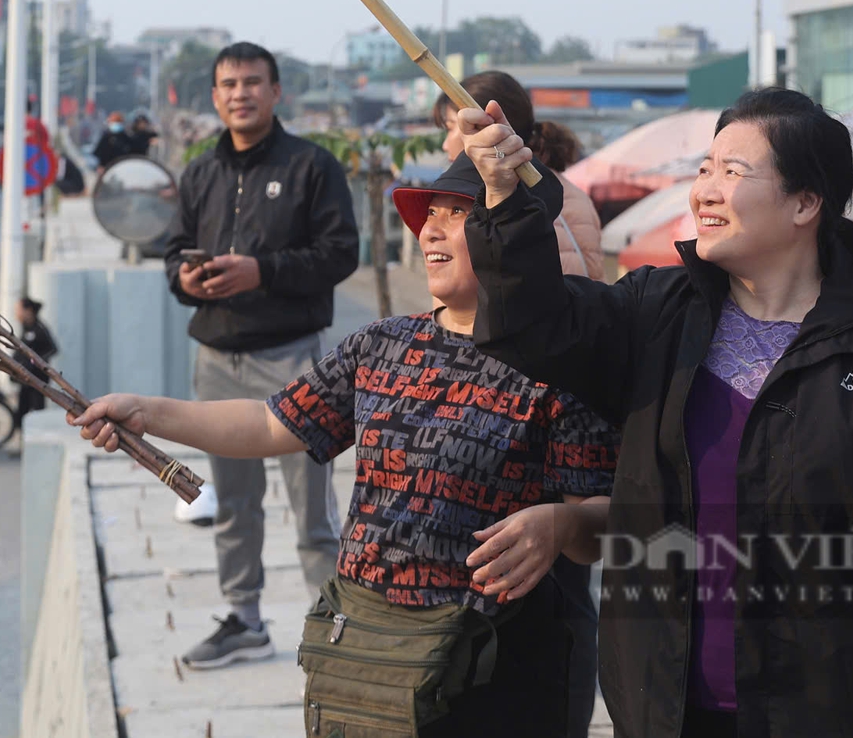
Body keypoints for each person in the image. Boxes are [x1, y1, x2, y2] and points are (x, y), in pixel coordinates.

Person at [457, 87, 853, 738]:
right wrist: (505, 201)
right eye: (704, 170)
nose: (705, 190)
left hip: (852, 713)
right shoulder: (654, 315)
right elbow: (529, 330)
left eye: (733, 172)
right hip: (673, 714)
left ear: (805, 203)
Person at [75, 153, 618, 734]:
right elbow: (268, 424)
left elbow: (602, 522)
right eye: (428, 214)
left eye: (456, 215)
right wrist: (148, 411)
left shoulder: (558, 363)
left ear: (514, 235)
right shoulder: (385, 343)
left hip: (493, 668)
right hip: (366, 653)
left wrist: (559, 525)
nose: (428, 231)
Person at [161, 41, 361, 669]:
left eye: (252, 82)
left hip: (293, 360)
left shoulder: (312, 166)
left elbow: (340, 254)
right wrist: (184, 280)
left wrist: (261, 272)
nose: (240, 93)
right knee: (230, 501)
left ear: (277, 93)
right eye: (228, 84)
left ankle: (335, 627)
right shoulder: (199, 173)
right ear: (215, 97)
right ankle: (244, 618)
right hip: (217, 358)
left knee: (313, 509)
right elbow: (173, 251)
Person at [433, 70, 604, 736]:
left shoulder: (561, 200)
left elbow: (582, 306)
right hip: (478, 417)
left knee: (560, 589)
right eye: (450, 124)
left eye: (464, 124)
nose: (454, 138)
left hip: (554, 417)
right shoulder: (450, 194)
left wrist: (520, 218)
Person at [437, 71, 602, 279]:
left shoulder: (500, 206)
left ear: (489, 128)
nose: (445, 145)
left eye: (451, 128)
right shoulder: (574, 194)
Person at [14, 296, 60, 418]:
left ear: (28, 310)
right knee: (21, 411)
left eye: (19, 310)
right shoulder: (25, 328)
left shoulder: (40, 329)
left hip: (38, 378)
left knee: (38, 410)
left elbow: (53, 349)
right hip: (25, 377)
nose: (17, 313)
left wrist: (36, 362)